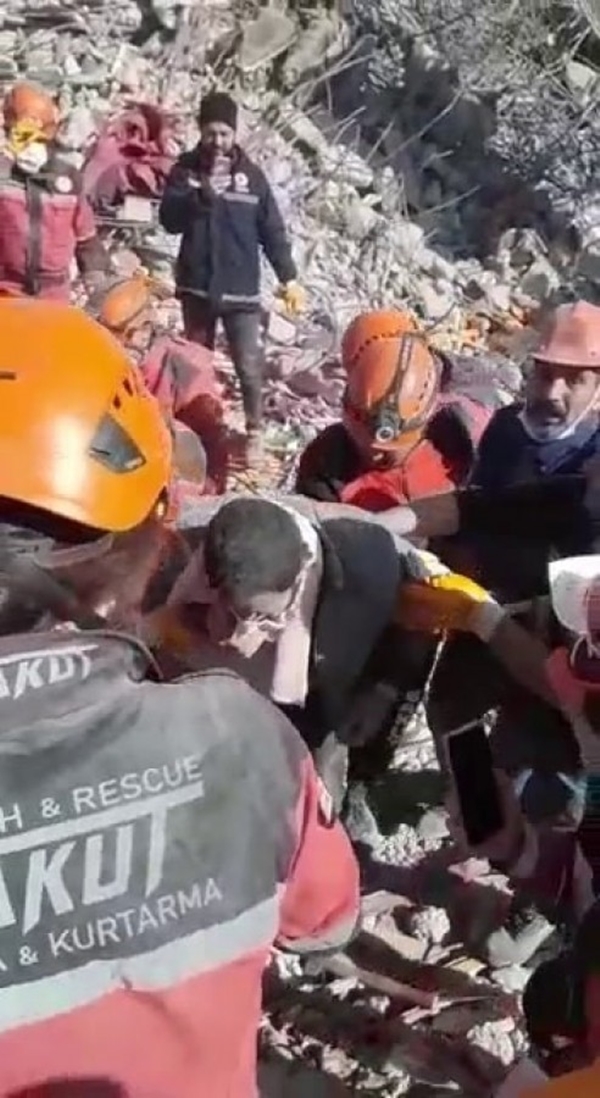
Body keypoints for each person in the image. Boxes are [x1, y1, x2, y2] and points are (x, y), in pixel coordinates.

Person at [0, 297, 359, 1097]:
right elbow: (327, 921)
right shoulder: (243, 741)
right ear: (152, 537)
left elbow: (296, 680)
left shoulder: (308, 580)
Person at [159, 90, 305, 463]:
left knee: (249, 363)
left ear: (235, 133)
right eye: (211, 133)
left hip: (241, 292)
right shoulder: (185, 170)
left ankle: (254, 432)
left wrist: (289, 277)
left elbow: (272, 231)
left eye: (224, 133)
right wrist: (199, 198)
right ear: (200, 131)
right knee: (196, 362)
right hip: (197, 286)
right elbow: (169, 220)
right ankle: (193, 429)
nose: (218, 141)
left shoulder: (252, 178)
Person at [295, 308, 498, 511]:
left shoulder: (465, 439)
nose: (374, 457)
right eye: (363, 445)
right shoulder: (328, 462)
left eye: (386, 453)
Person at [97, 274, 229, 492]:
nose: (114, 348)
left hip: (163, 482)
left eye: (122, 338)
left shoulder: (187, 368)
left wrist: (206, 497)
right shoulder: (97, 357)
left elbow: (212, 450)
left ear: (144, 329)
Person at [0, 81, 110, 300]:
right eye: (22, 137)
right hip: (6, 290)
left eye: (39, 138)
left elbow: (86, 236)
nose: (31, 145)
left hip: (53, 294)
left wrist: (95, 276)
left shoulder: (67, 179)